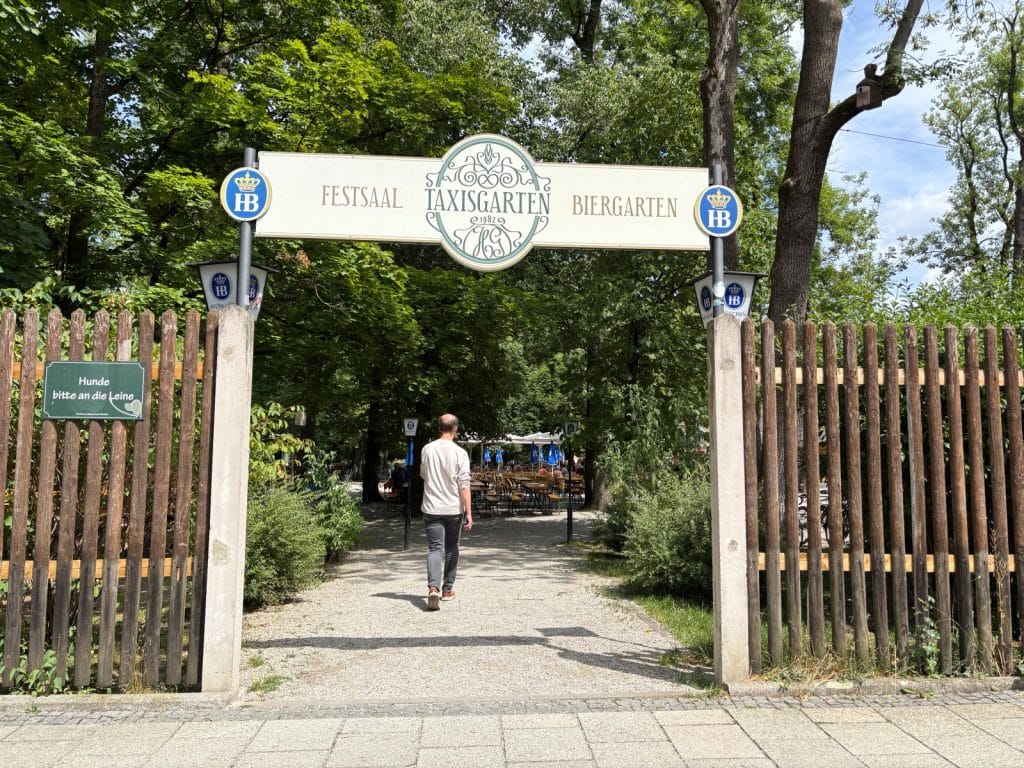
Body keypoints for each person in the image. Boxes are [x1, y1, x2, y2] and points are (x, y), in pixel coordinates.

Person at [420, 413, 473, 610]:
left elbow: (423, 474)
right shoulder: (460, 453)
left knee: (435, 548)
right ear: (455, 429)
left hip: (432, 506)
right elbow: (464, 484)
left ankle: (432, 587)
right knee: (452, 548)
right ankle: (447, 589)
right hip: (453, 508)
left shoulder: (427, 449)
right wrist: (469, 512)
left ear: (439, 428)